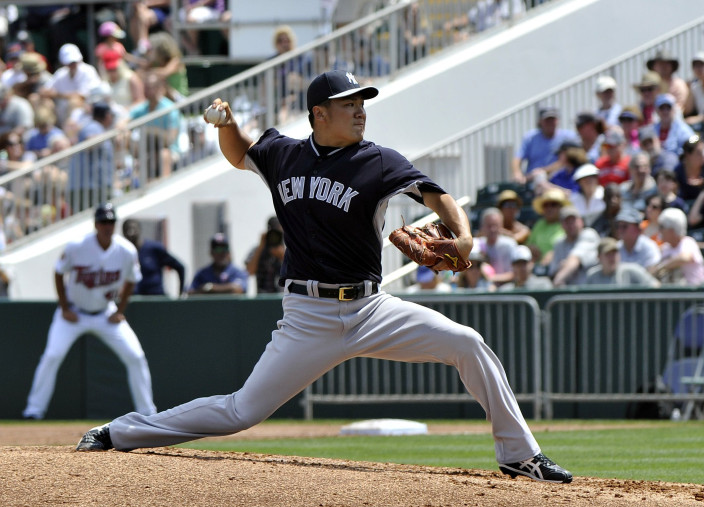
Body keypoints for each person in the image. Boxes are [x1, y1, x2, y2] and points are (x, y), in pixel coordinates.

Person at [76, 70, 573, 484]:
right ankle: (120, 432)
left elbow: (435, 195)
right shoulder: (283, 152)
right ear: (319, 113)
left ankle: (517, 453)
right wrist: (226, 125)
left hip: (370, 308)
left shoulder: (378, 160)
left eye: (362, 102)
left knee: (467, 343)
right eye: (349, 103)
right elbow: (240, 153)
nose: (360, 110)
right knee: (240, 412)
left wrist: (463, 238)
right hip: (307, 316)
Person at [22, 203, 157, 420]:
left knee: (136, 356)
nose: (107, 226)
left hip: (105, 313)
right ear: (95, 224)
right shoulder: (77, 246)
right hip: (73, 314)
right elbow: (58, 273)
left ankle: (148, 413)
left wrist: (120, 310)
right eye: (103, 221)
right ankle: (34, 411)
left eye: (111, 222)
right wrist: (64, 307)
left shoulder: (126, 250)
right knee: (52, 355)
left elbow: (132, 280)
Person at [129, 72, 181, 178]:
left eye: (150, 87)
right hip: (147, 150)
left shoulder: (170, 109)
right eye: (146, 87)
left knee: (164, 154)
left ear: (159, 88)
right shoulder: (142, 108)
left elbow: (171, 139)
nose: (147, 91)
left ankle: (164, 186)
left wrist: (151, 133)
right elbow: (125, 120)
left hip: (168, 150)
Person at [39, 43, 102, 127]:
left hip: (84, 114)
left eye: (74, 62)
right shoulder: (61, 73)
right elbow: (44, 90)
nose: (73, 64)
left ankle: (69, 133)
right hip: (61, 112)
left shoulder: (89, 71)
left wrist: (57, 94)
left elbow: (82, 96)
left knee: (74, 102)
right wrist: (49, 93)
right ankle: (46, 130)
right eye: (70, 62)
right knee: (39, 99)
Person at [512, 106, 577, 184]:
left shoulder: (568, 137)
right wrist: (517, 173)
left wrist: (543, 171)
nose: (550, 123)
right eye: (547, 120)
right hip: (532, 181)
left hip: (559, 180)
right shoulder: (530, 137)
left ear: (558, 121)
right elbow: (518, 157)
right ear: (540, 121)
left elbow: (565, 161)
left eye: (552, 120)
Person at [122, 218, 186, 296]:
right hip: (133, 301)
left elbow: (180, 267)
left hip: (155, 299)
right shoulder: (121, 253)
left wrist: (181, 292)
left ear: (140, 230)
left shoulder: (154, 249)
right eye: (127, 229)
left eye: (133, 229)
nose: (131, 233)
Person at [651, 207, 704, 286]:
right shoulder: (665, 247)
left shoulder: (688, 242)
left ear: (671, 230)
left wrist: (662, 267)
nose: (659, 230)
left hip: (695, 293)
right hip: (673, 294)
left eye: (662, 227)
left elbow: (684, 258)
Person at [549, 205, 600, 287]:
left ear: (581, 221)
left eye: (573, 220)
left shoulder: (589, 234)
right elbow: (553, 272)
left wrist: (559, 278)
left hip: (589, 290)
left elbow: (575, 260)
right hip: (568, 291)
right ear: (561, 225)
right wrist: (561, 268)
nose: (571, 224)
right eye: (567, 221)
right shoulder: (559, 243)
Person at [584, 237, 660, 287]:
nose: (612, 258)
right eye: (608, 254)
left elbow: (656, 286)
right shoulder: (592, 276)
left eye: (614, 253)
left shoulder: (633, 270)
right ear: (599, 257)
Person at [527, 187, 567, 268]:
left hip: (559, 266)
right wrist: (532, 249)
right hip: (538, 267)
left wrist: (554, 254)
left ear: (561, 207)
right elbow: (529, 245)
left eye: (553, 204)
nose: (549, 208)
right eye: (546, 205)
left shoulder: (567, 224)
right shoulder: (539, 224)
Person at [244, 216, 285, 294]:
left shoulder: (287, 250)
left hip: (282, 297)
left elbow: (295, 272)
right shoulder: (257, 249)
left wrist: (282, 256)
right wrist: (261, 246)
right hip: (262, 297)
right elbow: (249, 271)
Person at [477, 207, 516, 286]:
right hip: (482, 287)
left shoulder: (510, 245)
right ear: (482, 227)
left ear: (501, 225)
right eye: (489, 226)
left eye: (496, 225)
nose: (493, 229)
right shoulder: (477, 245)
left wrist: (491, 278)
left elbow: (515, 274)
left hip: (506, 287)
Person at [614, 207, 661, 272]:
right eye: (618, 226)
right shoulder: (616, 248)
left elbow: (651, 275)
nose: (620, 230)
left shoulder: (649, 247)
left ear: (637, 228)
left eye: (624, 226)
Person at [674, 135, 704, 202]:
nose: (703, 156)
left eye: (703, 151)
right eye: (698, 153)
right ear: (688, 155)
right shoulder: (678, 170)